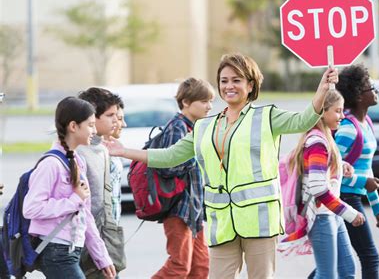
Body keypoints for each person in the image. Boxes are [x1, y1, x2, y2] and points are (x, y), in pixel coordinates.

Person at [105, 53, 338, 279]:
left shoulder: (267, 116)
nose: (229, 86)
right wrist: (124, 151)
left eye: (236, 80)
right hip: (223, 223)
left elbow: (304, 120)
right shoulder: (204, 127)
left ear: (250, 84)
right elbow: (170, 155)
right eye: (224, 81)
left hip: (260, 221)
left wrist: (323, 89)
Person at [22, 97, 116, 279]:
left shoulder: (78, 162)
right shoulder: (51, 164)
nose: (95, 131)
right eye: (90, 125)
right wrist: (74, 200)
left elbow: (85, 215)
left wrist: (102, 257)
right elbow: (31, 208)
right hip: (55, 250)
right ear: (74, 126)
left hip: (71, 249)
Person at [290, 89, 365, 279]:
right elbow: (318, 188)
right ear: (323, 111)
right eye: (338, 111)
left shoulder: (325, 138)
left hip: (332, 214)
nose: (342, 116)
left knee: (347, 271)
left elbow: (322, 169)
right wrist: (349, 213)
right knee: (327, 275)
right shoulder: (317, 142)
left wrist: (341, 165)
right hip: (322, 216)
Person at [151, 77, 215, 279]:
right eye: (204, 101)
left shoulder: (194, 128)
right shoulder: (177, 127)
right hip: (179, 209)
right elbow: (167, 166)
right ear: (186, 102)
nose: (209, 106)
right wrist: (195, 156)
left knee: (201, 267)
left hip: (193, 211)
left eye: (210, 101)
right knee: (178, 267)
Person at [335, 64, 379, 279]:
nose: (376, 91)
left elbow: (367, 171)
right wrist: (362, 182)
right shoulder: (348, 129)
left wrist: (378, 209)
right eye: (371, 87)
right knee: (369, 257)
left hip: (353, 196)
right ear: (357, 96)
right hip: (344, 199)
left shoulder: (366, 124)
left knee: (335, 262)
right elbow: (331, 165)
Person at [76, 87, 126, 277]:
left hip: (105, 235)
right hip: (87, 242)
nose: (117, 120)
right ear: (91, 116)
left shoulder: (102, 149)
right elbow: (84, 207)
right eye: (110, 115)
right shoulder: (79, 152)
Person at [108, 97, 127, 224]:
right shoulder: (95, 153)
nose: (123, 124)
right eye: (119, 119)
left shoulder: (114, 148)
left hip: (112, 226)